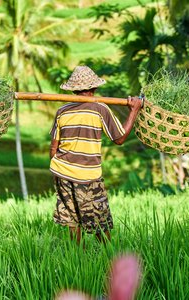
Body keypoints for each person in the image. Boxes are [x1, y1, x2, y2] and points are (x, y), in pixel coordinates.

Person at [49, 66, 142, 244]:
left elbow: (54, 147)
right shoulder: (99, 109)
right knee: (100, 218)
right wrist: (134, 110)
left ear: (74, 89)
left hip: (62, 171)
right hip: (87, 175)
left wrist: (57, 169)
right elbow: (120, 138)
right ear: (94, 88)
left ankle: (77, 256)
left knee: (72, 218)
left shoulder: (62, 111)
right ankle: (107, 255)